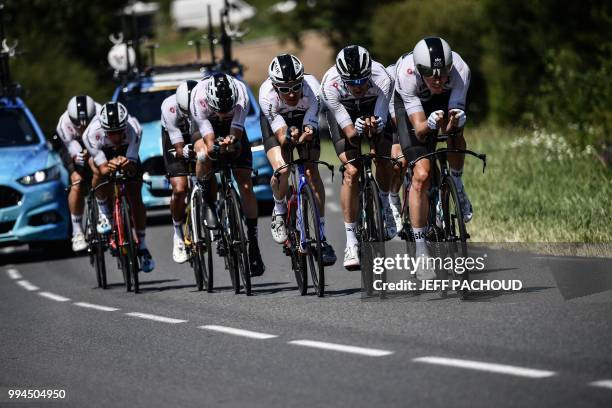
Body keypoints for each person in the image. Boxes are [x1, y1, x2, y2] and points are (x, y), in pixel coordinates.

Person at [393, 37, 471, 280]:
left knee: (455, 132)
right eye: (430, 74)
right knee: (422, 174)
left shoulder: (460, 69)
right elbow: (419, 128)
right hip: (413, 111)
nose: (438, 79)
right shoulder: (406, 74)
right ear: (419, 70)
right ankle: (421, 250)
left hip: (441, 102)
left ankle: (457, 185)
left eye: (442, 73)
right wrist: (429, 123)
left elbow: (453, 119)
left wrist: (454, 122)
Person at [320, 45, 394, 270]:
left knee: (381, 157)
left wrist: (374, 124)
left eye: (363, 80)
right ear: (342, 78)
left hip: (374, 106)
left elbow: (380, 120)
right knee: (351, 172)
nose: (358, 86)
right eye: (351, 83)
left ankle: (384, 202)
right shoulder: (329, 85)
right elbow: (351, 133)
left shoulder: (383, 77)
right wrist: (357, 127)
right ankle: (351, 241)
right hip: (345, 113)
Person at [259, 53, 336, 266]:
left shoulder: (313, 89)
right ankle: (279, 209)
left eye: (295, 86)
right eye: (284, 89)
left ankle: (321, 237)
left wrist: (305, 134)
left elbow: (310, 126)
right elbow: (282, 135)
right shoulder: (266, 96)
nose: (291, 93)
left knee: (311, 171)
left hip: (303, 120)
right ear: (275, 87)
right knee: (282, 170)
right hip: (278, 124)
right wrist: (290, 137)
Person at [190, 73, 265, 277]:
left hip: (233, 127)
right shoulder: (198, 98)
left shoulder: (241, 95)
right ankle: (208, 201)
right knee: (205, 154)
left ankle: (253, 243)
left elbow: (236, 134)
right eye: (219, 110)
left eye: (226, 110)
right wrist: (214, 147)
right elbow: (209, 140)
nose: (222, 114)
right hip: (206, 127)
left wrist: (232, 141)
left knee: (245, 183)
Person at [83, 101, 155, 273]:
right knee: (98, 174)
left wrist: (125, 162)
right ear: (104, 129)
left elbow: (131, 165)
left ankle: (142, 244)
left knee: (135, 195)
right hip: (103, 153)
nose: (115, 136)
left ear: (124, 127)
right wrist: (110, 165)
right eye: (111, 133)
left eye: (119, 132)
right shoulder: (91, 134)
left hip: (125, 152)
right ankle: (105, 214)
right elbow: (102, 169)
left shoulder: (134, 128)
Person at [160, 79, 212, 264]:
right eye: (186, 113)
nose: (190, 116)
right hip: (176, 137)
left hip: (199, 131)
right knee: (180, 188)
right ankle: (177, 233)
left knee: (209, 167)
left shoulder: (204, 101)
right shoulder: (169, 107)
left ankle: (212, 210)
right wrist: (185, 151)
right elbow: (178, 146)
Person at [55, 95, 101, 252]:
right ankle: (77, 231)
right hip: (73, 146)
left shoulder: (100, 111)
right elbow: (71, 147)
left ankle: (105, 213)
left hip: (97, 141)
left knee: (102, 170)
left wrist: (92, 153)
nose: (82, 128)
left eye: (86, 124)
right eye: (78, 125)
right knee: (77, 181)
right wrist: (77, 156)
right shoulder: (64, 124)